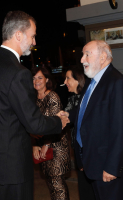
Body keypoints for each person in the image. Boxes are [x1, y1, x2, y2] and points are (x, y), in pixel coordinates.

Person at [0, 11, 69, 200]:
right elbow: (33, 123)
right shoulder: (18, 72)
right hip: (13, 166)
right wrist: (59, 121)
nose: (34, 42)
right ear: (18, 35)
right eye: (33, 36)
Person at [61, 40, 123, 200]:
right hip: (92, 163)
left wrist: (112, 167)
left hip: (107, 167)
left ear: (102, 57)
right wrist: (68, 116)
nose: (82, 60)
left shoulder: (116, 82)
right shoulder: (93, 81)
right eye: (82, 55)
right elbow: (88, 111)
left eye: (87, 54)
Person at [32, 66, 71, 200]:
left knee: (57, 184)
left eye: (40, 78)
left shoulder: (52, 96)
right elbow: (32, 125)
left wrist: (46, 144)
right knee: (50, 183)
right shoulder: (33, 99)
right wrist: (35, 144)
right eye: (34, 78)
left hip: (56, 146)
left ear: (47, 79)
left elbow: (57, 123)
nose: (36, 81)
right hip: (42, 145)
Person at [64, 66, 95, 200]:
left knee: (89, 187)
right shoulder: (72, 98)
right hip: (78, 148)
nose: (65, 82)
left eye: (68, 78)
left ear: (78, 79)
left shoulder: (87, 97)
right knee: (83, 186)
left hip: (88, 149)